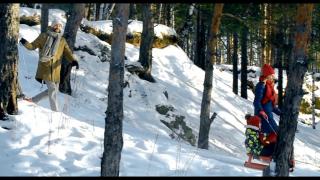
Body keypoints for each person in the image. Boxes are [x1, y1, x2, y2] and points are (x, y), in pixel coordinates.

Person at [19, 18, 79, 112]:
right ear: (52, 25)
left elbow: (67, 52)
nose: (57, 27)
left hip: (56, 70)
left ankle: (32, 100)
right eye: (56, 25)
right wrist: (25, 43)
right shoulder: (43, 36)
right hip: (45, 68)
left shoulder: (62, 40)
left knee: (53, 90)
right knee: (52, 89)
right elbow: (32, 46)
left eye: (59, 25)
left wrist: (74, 61)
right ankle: (55, 112)